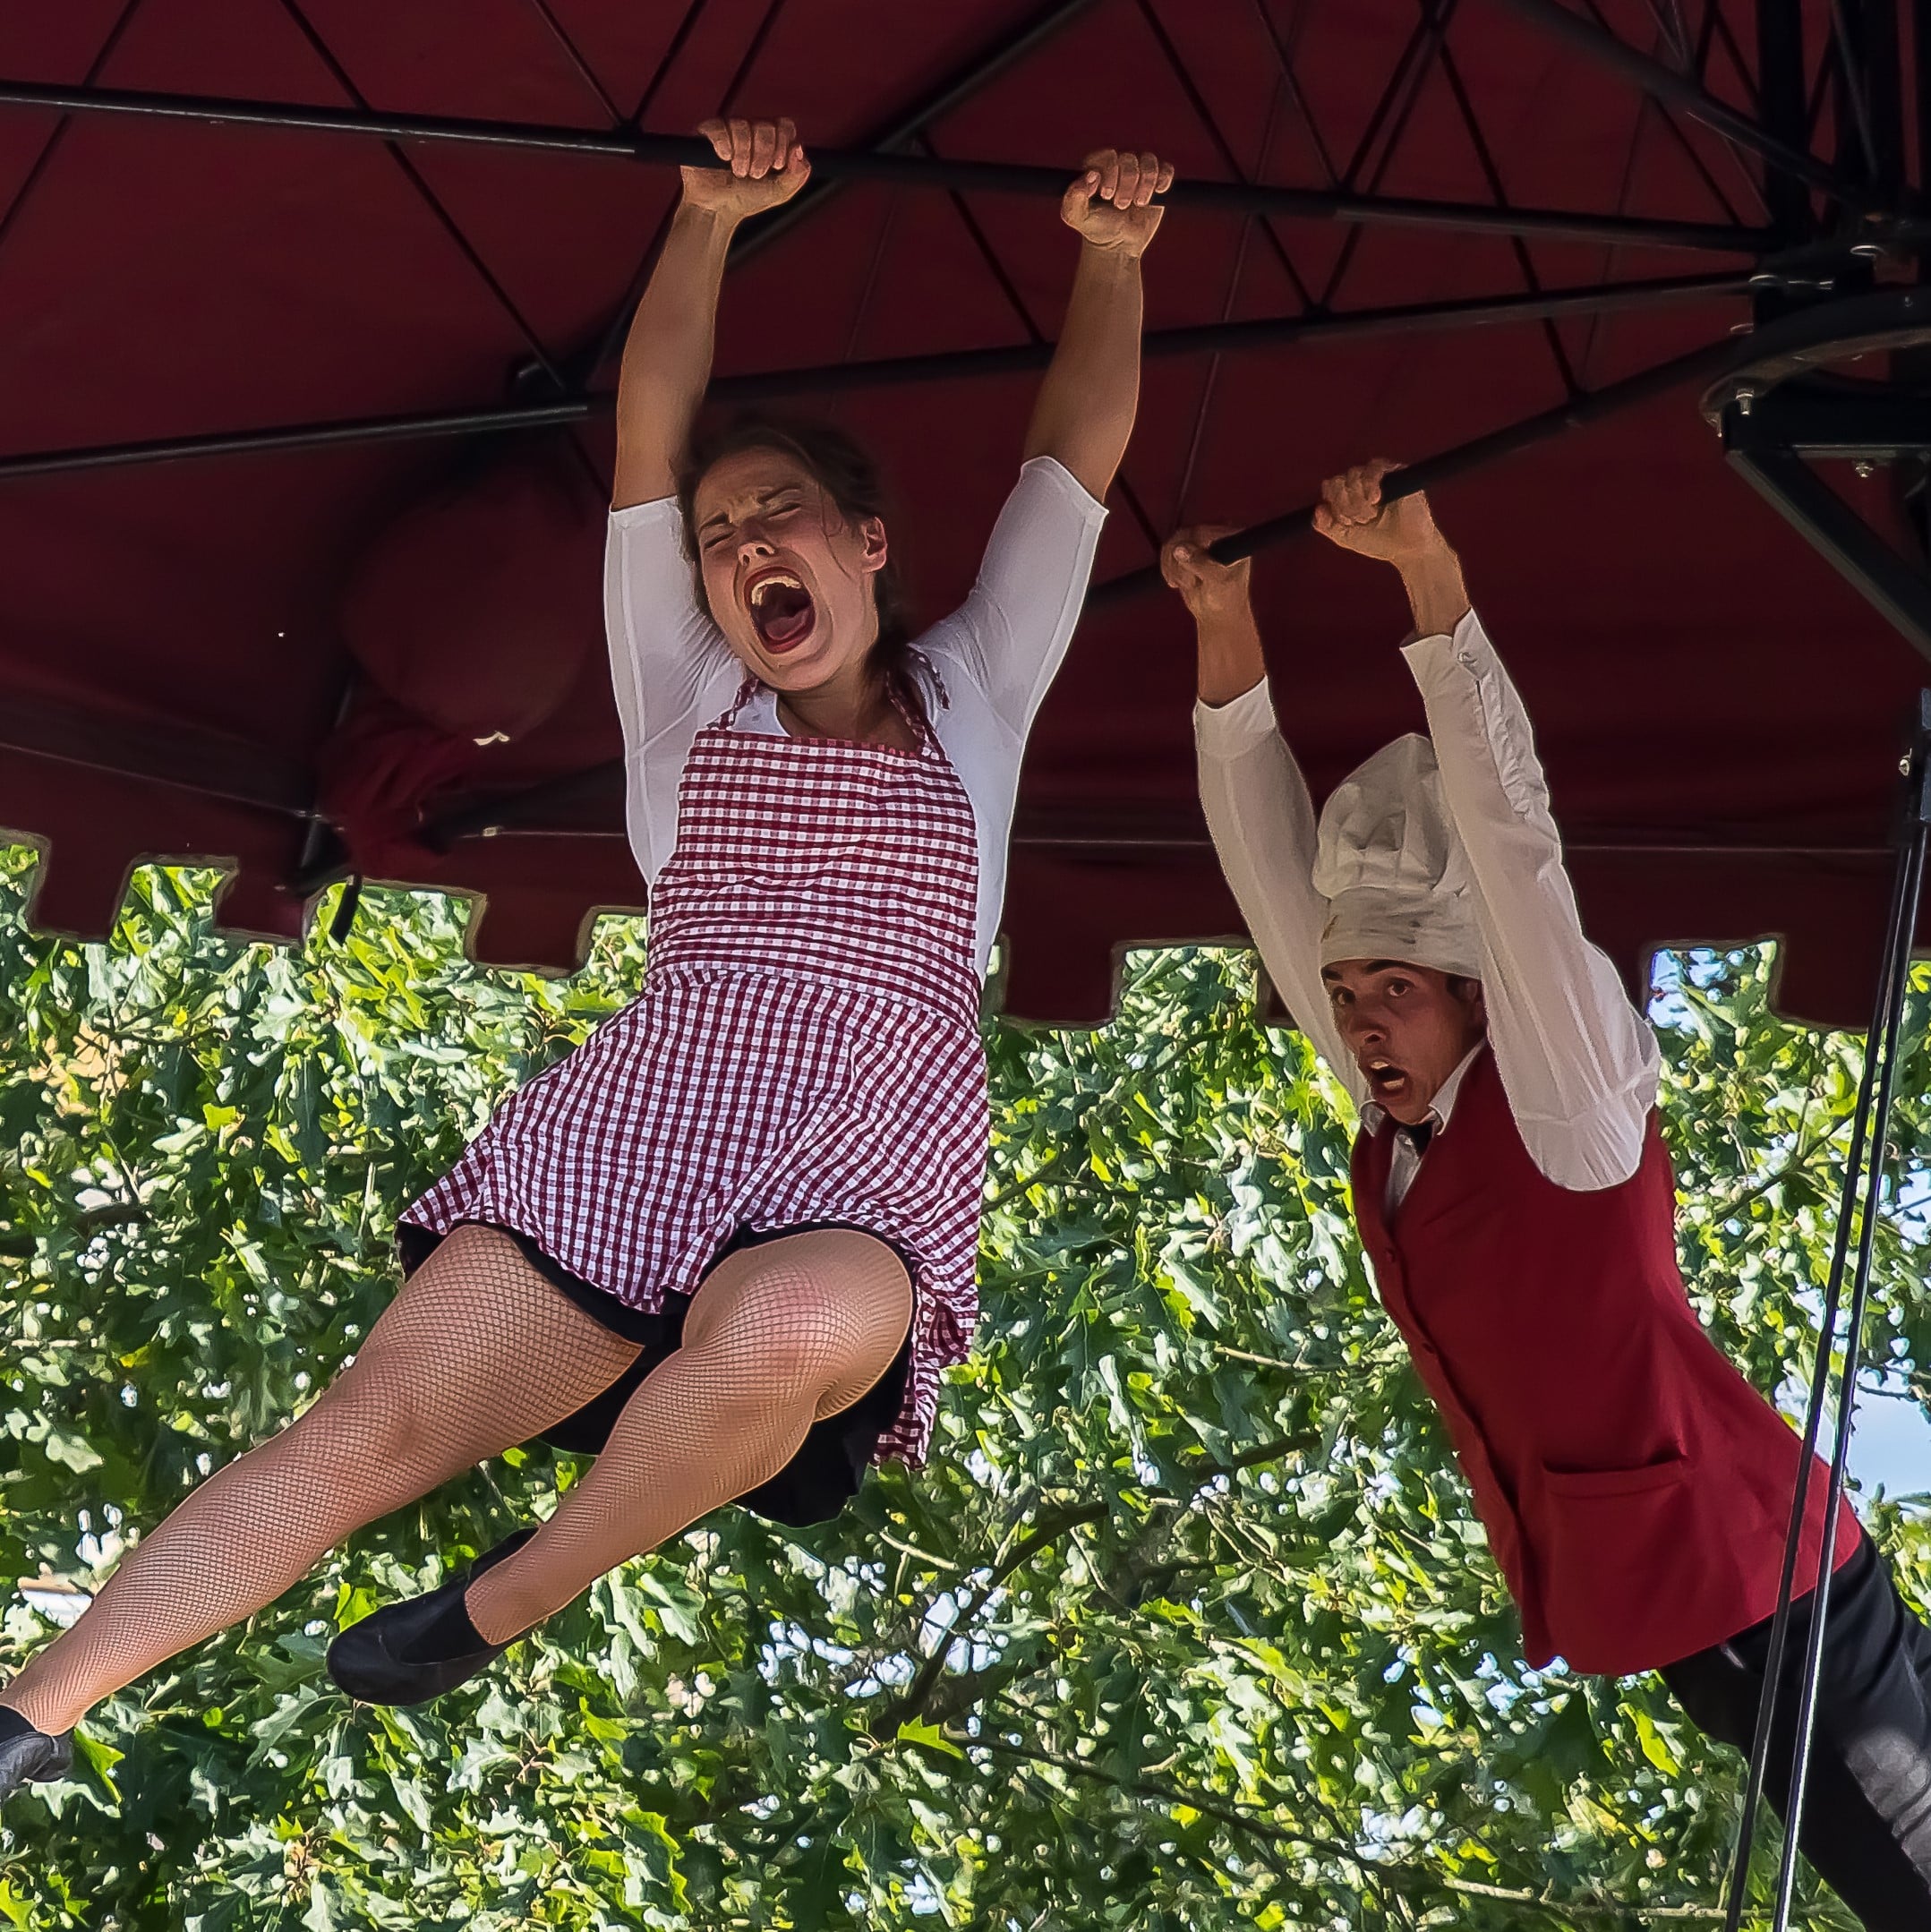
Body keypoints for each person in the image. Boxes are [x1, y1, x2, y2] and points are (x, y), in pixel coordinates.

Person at [0, 118, 1173, 1788]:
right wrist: (701, 222)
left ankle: (511, 1595)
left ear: (865, 544)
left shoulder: (973, 694)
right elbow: (648, 428)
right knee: (369, 1425)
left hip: (869, 1156)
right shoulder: (686, 693)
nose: (745, 545)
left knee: (781, 1335)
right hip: (652, 1118)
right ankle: (29, 1712)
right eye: (719, 534)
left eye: (781, 514)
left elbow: (1070, 464)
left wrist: (1112, 259)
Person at [1164, 461, 1931, 1928]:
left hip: (1770, 1580)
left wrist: (1429, 581)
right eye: (1344, 993)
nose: (1358, 1020)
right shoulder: (1399, 1115)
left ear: (1473, 993)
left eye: (1393, 989)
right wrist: (1225, 636)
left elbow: (1513, 852)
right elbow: (1266, 879)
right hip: (1707, 1601)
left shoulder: (1564, 1101)